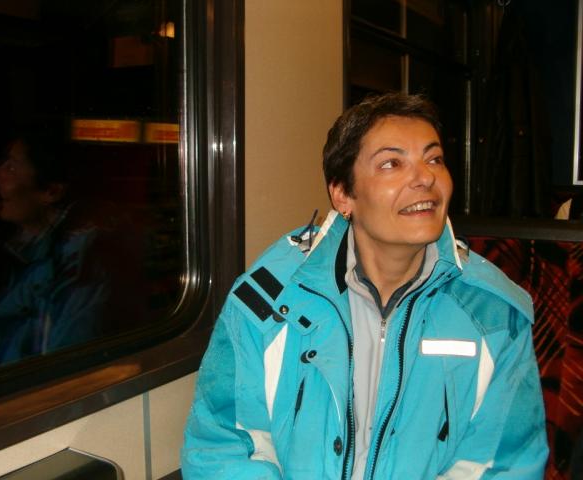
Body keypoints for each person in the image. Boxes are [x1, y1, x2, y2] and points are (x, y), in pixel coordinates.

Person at [181, 93, 548, 479]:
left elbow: (505, 463)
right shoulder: (269, 299)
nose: (425, 177)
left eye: (434, 159)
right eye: (392, 163)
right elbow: (223, 444)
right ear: (343, 195)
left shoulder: (492, 314)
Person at [0, 125, 144, 370]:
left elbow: (62, 365)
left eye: (11, 168)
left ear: (51, 191)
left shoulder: (83, 263)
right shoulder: (27, 254)